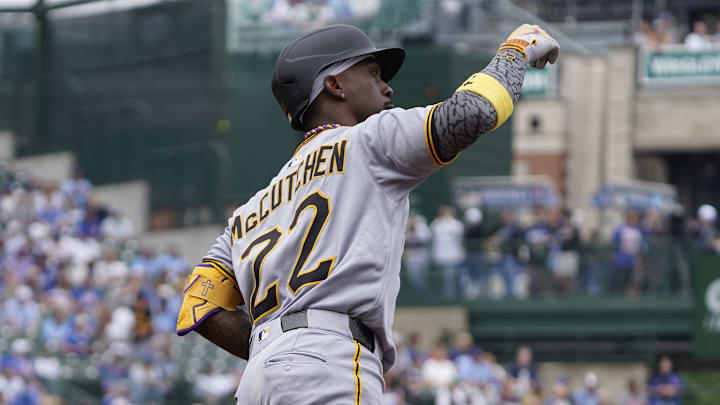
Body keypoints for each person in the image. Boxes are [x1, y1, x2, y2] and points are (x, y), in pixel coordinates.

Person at [175, 23, 559, 404]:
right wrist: (516, 49)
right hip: (329, 362)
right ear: (335, 85)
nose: (387, 87)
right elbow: (474, 112)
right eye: (372, 74)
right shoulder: (370, 140)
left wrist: (279, 350)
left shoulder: (249, 211)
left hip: (258, 379)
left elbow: (199, 305)